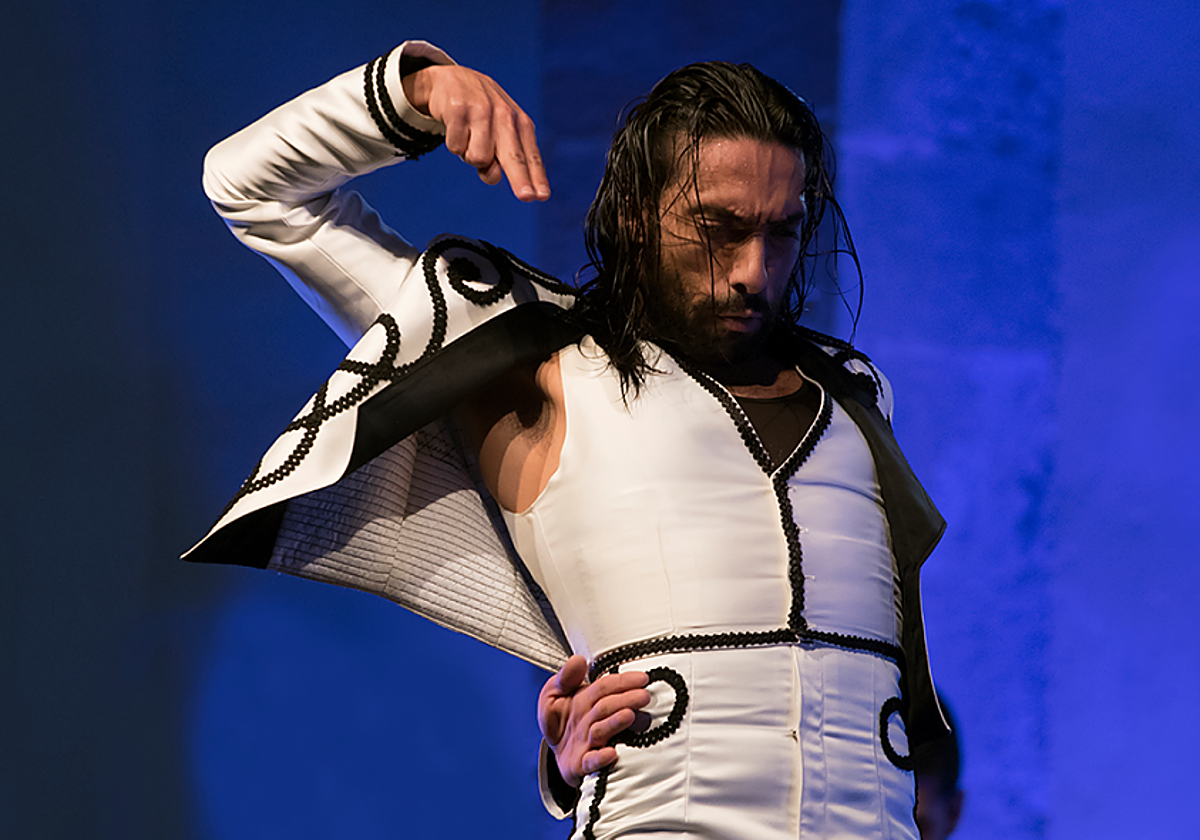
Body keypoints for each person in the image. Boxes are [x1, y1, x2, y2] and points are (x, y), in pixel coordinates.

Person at [189, 38, 948, 839]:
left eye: (781, 232)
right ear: (632, 214)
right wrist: (411, 91)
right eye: (717, 229)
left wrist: (560, 767)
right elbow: (252, 188)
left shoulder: (856, 395)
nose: (754, 272)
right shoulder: (537, 369)